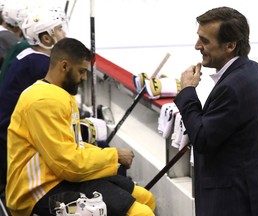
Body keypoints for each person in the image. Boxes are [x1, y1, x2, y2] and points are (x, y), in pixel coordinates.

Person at [6, 37, 156, 216]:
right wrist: (113, 156)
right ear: (64, 66)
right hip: (38, 190)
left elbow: (74, 149)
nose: (84, 78)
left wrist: (109, 157)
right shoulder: (44, 101)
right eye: (82, 71)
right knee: (140, 213)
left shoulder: (59, 95)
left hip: (58, 177)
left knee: (145, 198)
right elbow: (68, 164)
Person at [174, 7, 258, 216]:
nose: (197, 46)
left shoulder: (232, 87)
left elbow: (202, 138)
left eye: (205, 41)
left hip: (231, 203)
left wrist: (187, 92)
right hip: (256, 195)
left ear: (230, 45)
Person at [0, 7, 68, 198]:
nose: (64, 34)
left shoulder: (28, 54)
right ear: (46, 39)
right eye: (59, 30)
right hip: (11, 141)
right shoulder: (41, 65)